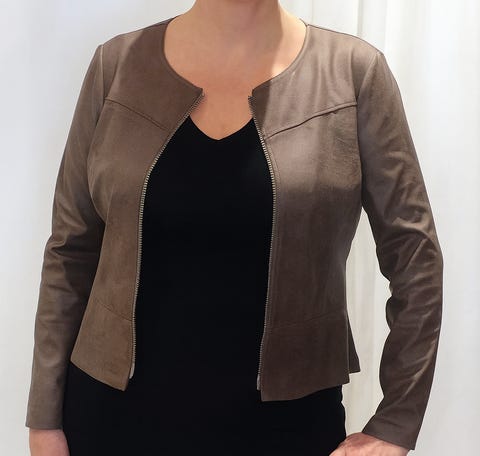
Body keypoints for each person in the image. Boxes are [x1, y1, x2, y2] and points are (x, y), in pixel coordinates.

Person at [26, 1, 443, 455]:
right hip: (110, 421)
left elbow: (414, 256)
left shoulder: (353, 73)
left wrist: (395, 423)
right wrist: (45, 419)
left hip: (288, 428)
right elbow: (71, 249)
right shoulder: (116, 65)